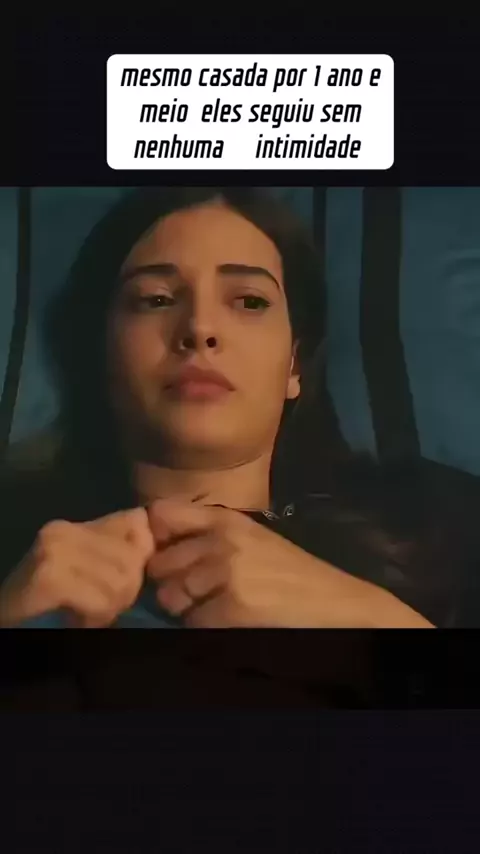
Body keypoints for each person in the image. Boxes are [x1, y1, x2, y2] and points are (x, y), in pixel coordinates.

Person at [0, 187, 439, 634]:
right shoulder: (16, 542)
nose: (200, 328)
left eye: (249, 301)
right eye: (156, 299)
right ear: (102, 353)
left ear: (294, 365)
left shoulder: (429, 523)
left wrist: (362, 610)